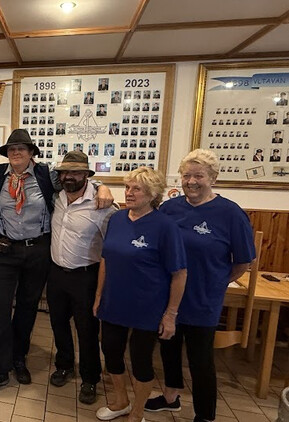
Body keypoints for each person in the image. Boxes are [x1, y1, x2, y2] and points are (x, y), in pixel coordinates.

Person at [0, 129, 113, 397]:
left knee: (27, 309)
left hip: (37, 251)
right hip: (4, 250)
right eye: (11, 148)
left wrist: (102, 186)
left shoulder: (45, 174)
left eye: (22, 148)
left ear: (31, 153)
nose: (16, 152)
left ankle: (19, 359)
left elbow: (78, 181)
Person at [146, 149, 255, 422]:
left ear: (213, 178)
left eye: (199, 176)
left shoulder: (230, 213)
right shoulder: (169, 209)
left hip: (203, 299)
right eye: (186, 176)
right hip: (170, 297)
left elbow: (243, 261)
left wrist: (218, 281)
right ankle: (170, 398)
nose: (191, 182)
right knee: (169, 349)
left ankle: (205, 414)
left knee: (201, 359)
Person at [94, 167, 187, 422]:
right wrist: (99, 296)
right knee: (111, 351)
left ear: (153, 194)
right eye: (127, 187)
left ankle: (137, 412)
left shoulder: (165, 226)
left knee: (141, 360)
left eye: (137, 189)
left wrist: (170, 314)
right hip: (114, 301)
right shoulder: (117, 219)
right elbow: (105, 259)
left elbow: (179, 273)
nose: (129, 193)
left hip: (148, 306)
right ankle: (121, 401)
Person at [47, 151, 116, 404]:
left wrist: (102, 187)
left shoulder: (103, 207)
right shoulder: (56, 197)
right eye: (65, 172)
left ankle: (90, 378)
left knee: (87, 330)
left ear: (86, 175)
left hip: (85, 277)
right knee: (58, 324)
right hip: (56, 273)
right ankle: (64, 365)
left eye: (75, 172)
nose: (69, 177)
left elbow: (111, 248)